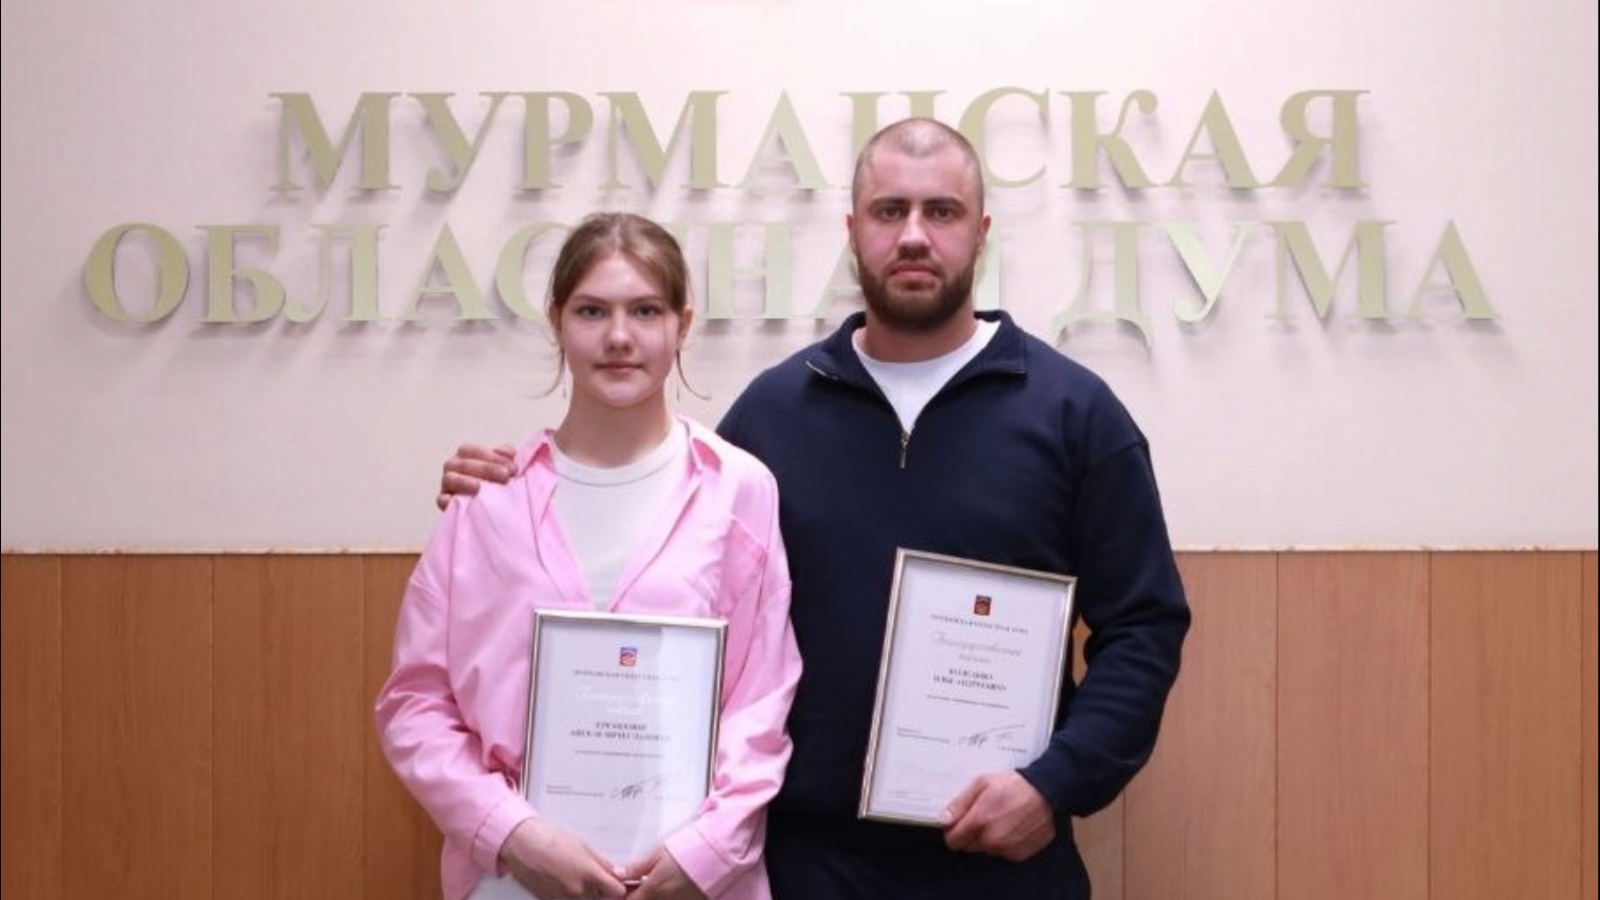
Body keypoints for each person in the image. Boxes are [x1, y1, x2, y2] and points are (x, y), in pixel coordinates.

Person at [438, 119, 1191, 900]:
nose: (914, 235)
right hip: (804, 868)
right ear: (852, 229)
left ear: (982, 231)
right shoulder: (772, 418)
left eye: (942, 211)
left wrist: (1054, 782)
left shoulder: (1075, 416)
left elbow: (1143, 627)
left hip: (1005, 869)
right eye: (890, 210)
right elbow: (658, 583)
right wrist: (508, 483)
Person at [378, 212, 802, 900]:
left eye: (646, 311)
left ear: (682, 325)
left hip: (690, 884)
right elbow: (416, 703)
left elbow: (761, 703)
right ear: (557, 322)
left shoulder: (737, 491)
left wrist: (703, 854)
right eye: (592, 311)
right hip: (516, 881)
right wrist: (512, 835)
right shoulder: (488, 503)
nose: (619, 336)